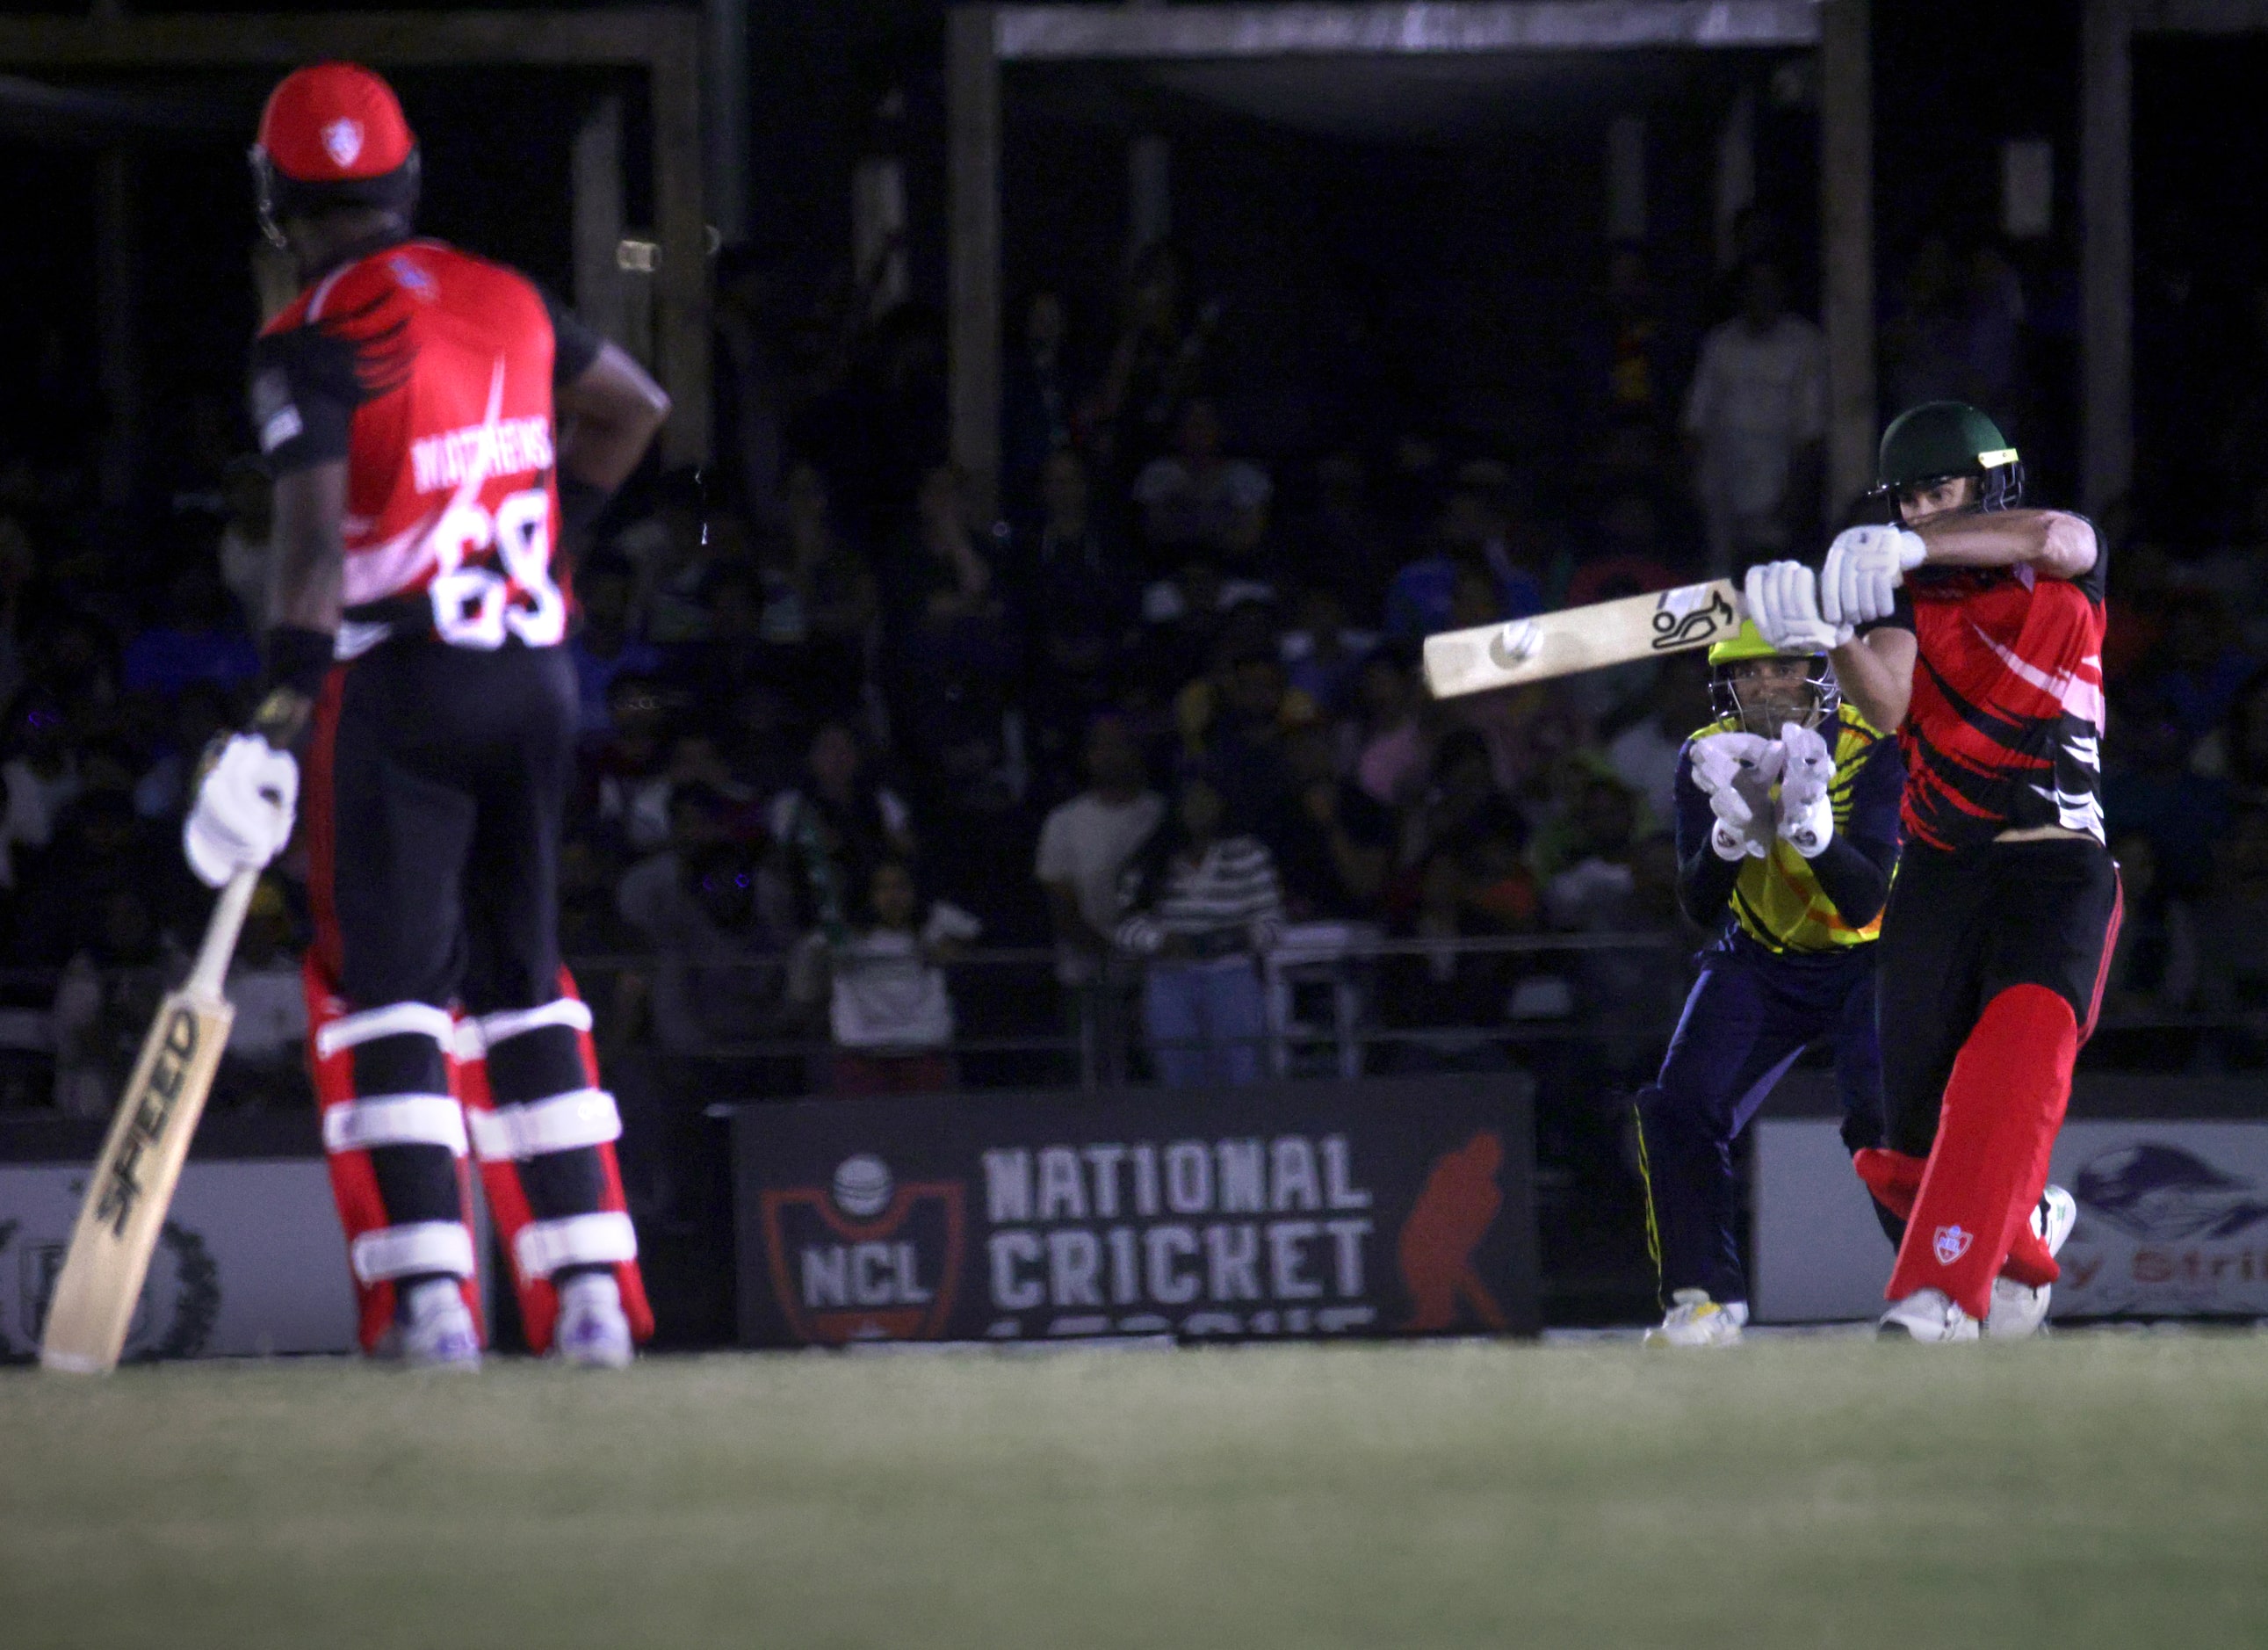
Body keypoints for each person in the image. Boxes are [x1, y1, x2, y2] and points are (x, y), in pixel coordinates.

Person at [190, 63, 671, 1368]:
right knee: (523, 983)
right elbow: (635, 410)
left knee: (388, 992)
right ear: (403, 179)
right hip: (532, 678)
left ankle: (433, 1304)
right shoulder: (508, 297)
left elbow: (307, 559)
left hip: (394, 686)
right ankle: (585, 1302)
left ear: (280, 199)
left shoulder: (308, 337)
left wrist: (272, 717)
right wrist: (536, 548)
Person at [1746, 400, 2113, 1342]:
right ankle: (2024, 1235)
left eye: (1937, 491)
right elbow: (1890, 706)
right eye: (1905, 501)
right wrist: (1829, 632)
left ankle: (1938, 1297)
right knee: (1898, 1142)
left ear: (1987, 484)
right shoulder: (1907, 600)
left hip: (2054, 874)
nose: (1918, 513)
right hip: (1939, 880)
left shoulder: (2052, 565)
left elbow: (2061, 537)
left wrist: (1916, 550)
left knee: (2004, 1083)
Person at [1632, 621, 1903, 1347]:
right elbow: (1698, 905)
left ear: (1817, 670)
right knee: (1677, 1106)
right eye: (1747, 673)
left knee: (1880, 1121)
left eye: (1782, 667)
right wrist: (1726, 839)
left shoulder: (1872, 744)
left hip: (1870, 957)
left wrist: (1813, 834)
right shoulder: (1706, 753)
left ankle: (1940, 1282)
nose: (1763, 686)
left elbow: (1867, 900)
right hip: (1760, 953)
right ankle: (1704, 1300)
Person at [1115, 769, 1282, 1087]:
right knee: (1177, 1069)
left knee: (1241, 1071)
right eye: (1191, 799)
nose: (1199, 807)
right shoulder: (1153, 857)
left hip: (1232, 976)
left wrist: (1230, 940)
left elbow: (1272, 923)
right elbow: (1125, 924)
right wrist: (1160, 942)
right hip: (1169, 979)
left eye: (1207, 798)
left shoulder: (1247, 853)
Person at [1682, 259, 1825, 575]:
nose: (1762, 295)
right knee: (1721, 576)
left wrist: (1796, 493)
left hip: (1778, 484)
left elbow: (1811, 428)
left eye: (1770, 286)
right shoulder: (1720, 343)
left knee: (1773, 575)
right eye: (1754, 287)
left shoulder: (1803, 342)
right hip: (1721, 485)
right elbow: (1696, 419)